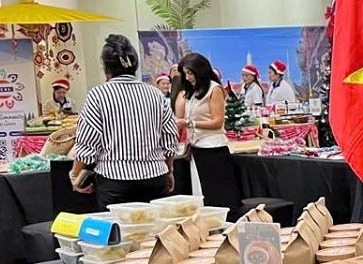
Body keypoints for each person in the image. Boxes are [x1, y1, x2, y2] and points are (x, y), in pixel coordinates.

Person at [71, 35, 179, 208]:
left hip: (114, 181)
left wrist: (75, 175)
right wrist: (169, 170)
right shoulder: (156, 94)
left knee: (116, 226)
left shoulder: (97, 95)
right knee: (154, 225)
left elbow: (87, 143)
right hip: (155, 178)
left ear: (106, 68)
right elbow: (170, 138)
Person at [175, 52, 241, 214]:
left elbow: (217, 122)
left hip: (213, 149)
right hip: (196, 148)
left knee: (218, 197)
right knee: (200, 194)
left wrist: (190, 123)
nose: (187, 77)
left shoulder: (214, 89)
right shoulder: (191, 92)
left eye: (190, 73)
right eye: (185, 74)